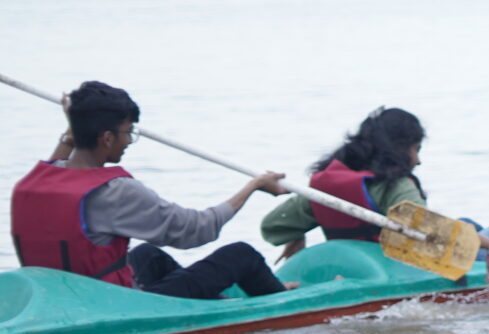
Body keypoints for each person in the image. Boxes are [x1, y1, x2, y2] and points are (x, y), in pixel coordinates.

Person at [10, 80, 289, 300]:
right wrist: (253, 186)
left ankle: (216, 302)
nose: (129, 141)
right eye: (128, 132)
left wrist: (75, 123)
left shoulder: (31, 183)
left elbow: (63, 155)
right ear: (106, 138)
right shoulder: (116, 192)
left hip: (57, 298)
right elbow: (197, 230)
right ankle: (283, 309)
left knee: (147, 254)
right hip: (112, 304)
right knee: (241, 255)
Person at [261, 107, 489, 265]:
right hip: (425, 265)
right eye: (416, 149)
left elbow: (273, 226)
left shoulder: (326, 187)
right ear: (400, 148)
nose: (417, 160)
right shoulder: (397, 185)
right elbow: (429, 236)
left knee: (467, 224)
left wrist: (297, 235)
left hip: (365, 262)